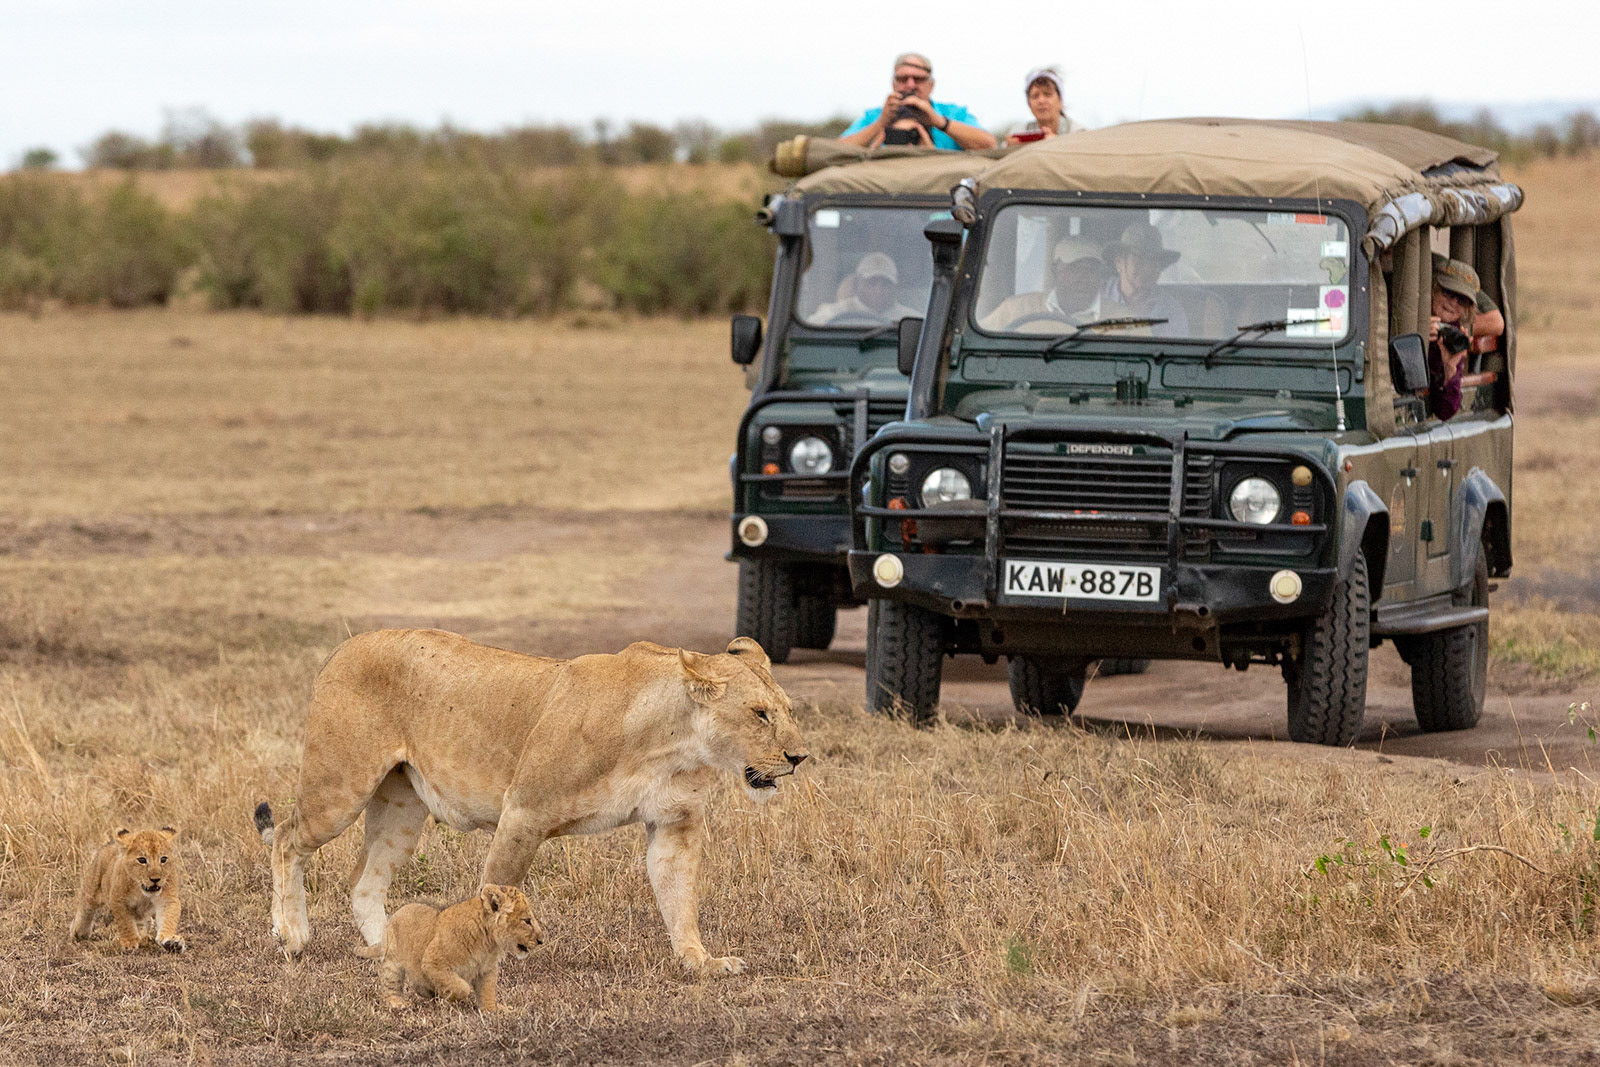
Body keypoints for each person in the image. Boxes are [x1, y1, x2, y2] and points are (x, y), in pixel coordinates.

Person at [839, 53, 997, 152]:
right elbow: (836, 151)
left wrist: (939, 122)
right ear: (893, 83)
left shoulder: (953, 114)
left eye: (919, 79)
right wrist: (881, 123)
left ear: (931, 84)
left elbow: (990, 145)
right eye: (902, 79)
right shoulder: (873, 116)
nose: (910, 85)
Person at [982, 237, 1110, 331]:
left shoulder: (1122, 318)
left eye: (1091, 268)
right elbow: (979, 343)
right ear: (1055, 269)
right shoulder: (1014, 310)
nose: (1083, 277)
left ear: (1101, 274)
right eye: (1074, 267)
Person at [1100, 221, 1189, 336]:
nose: (1148, 268)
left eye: (1154, 260)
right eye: (1138, 257)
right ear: (1119, 263)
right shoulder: (1097, 297)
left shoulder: (1171, 312)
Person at [1426, 256, 1482, 420]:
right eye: (1449, 293)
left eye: (1463, 300)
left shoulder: (1455, 335)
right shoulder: (1406, 312)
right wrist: (1418, 333)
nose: (1454, 303)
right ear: (1433, 289)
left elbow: (1446, 411)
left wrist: (1449, 368)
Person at [812, 252, 921, 325]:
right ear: (857, 284)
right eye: (872, 282)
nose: (879, 290)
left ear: (895, 287)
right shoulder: (833, 313)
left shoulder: (910, 320)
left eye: (886, 283)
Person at [1005, 67, 1071, 146]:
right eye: (1035, 96)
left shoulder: (1079, 133)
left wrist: (1057, 144)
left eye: (1047, 94)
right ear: (1029, 104)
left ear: (1060, 101)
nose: (1041, 101)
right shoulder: (1018, 131)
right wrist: (1009, 149)